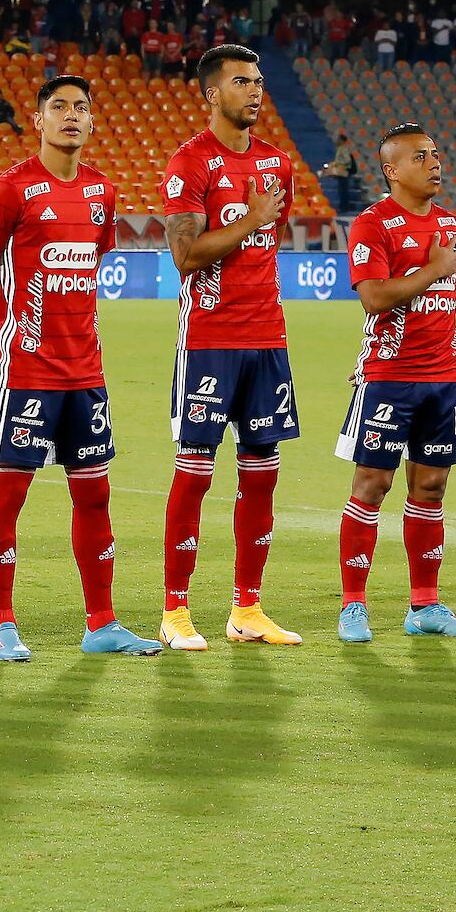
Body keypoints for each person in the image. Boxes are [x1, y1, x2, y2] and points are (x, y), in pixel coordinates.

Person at [0, 75, 162, 662]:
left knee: (95, 497)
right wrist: (12, 321)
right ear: (39, 119)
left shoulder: (102, 192)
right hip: (27, 372)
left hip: (85, 373)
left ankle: (102, 623)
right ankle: (2, 625)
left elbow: (87, 265)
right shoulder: (11, 189)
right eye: (59, 107)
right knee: (9, 497)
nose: (71, 116)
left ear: (92, 121)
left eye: (80, 108)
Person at [159, 45, 303, 650]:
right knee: (195, 474)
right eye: (242, 81)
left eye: (259, 80)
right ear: (212, 93)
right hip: (210, 342)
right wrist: (250, 219)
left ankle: (247, 608)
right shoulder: (189, 162)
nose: (255, 90)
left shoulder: (276, 163)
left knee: (262, 475)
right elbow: (187, 255)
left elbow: (273, 238)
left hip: (267, 339)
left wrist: (257, 221)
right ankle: (175, 611)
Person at [332, 125, 456, 641]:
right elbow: (373, 297)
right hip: (389, 378)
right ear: (392, 170)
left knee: (431, 487)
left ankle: (425, 605)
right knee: (373, 485)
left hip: (443, 378)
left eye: (435, 154)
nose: (435, 163)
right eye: (421, 156)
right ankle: (353, 605)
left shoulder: (450, 224)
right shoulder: (373, 224)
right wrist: (433, 268)